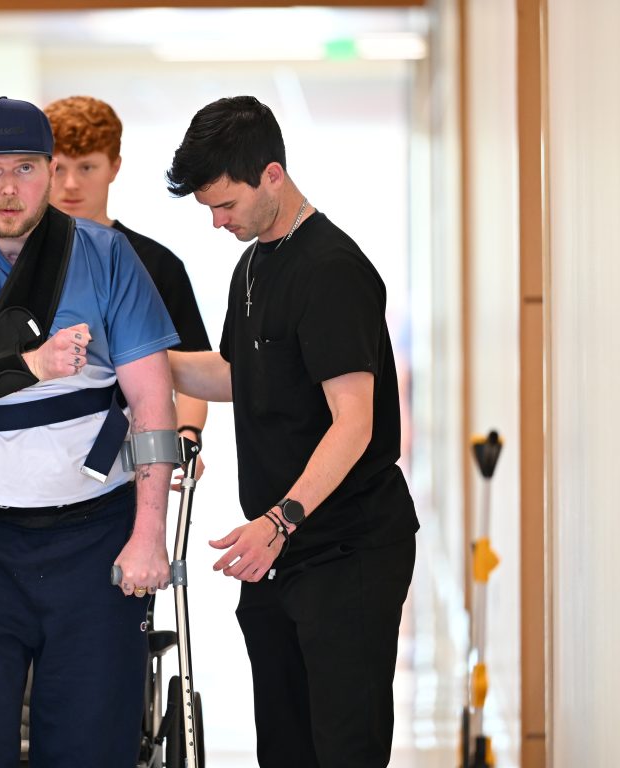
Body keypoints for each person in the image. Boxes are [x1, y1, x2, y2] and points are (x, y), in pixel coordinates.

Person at [0, 96, 179, 768]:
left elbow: (152, 404)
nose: (10, 187)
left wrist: (149, 534)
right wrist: (26, 368)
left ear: (51, 170)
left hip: (96, 537)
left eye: (25, 167)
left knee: (91, 744)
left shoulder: (108, 257)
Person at [165, 96, 419, 768]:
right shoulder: (252, 264)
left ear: (271, 174)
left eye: (225, 205)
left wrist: (280, 519)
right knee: (284, 747)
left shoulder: (331, 270)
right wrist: (144, 362)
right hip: (281, 556)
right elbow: (235, 374)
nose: (218, 223)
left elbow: (354, 423)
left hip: (348, 551)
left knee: (342, 748)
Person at [44, 95, 212, 470]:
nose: (71, 184)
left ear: (114, 167)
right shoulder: (11, 263)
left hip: (127, 458)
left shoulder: (156, 264)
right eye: (59, 168)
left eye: (87, 167)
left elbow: (191, 366)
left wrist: (187, 434)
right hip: (28, 461)